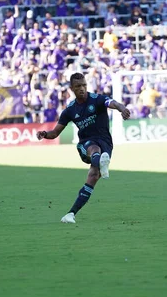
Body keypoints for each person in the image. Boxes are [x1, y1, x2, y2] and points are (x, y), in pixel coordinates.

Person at [37, 72, 131, 224]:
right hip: (86, 144)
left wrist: (121, 108)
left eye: (84, 85)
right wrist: (44, 134)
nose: (82, 89)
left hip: (106, 142)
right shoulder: (70, 110)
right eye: (78, 86)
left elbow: (111, 103)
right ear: (72, 88)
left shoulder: (97, 99)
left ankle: (70, 214)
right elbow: (55, 133)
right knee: (94, 150)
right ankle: (101, 162)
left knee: (93, 176)